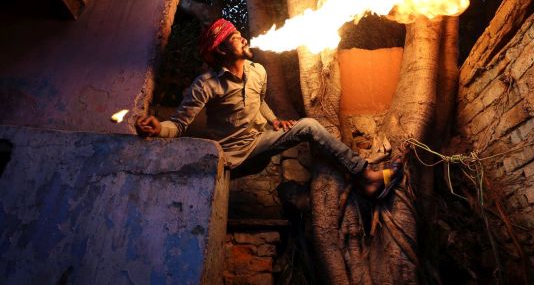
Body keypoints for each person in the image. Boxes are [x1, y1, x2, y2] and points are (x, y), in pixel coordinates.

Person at [136, 18, 401, 199]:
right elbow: (179, 124)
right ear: (220, 50)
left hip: (258, 143)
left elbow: (259, 101)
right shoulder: (205, 85)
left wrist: (274, 121)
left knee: (306, 126)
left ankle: (363, 177)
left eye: (240, 35)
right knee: (308, 126)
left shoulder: (258, 72)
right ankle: (366, 176)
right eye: (235, 37)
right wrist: (159, 128)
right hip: (232, 158)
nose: (243, 39)